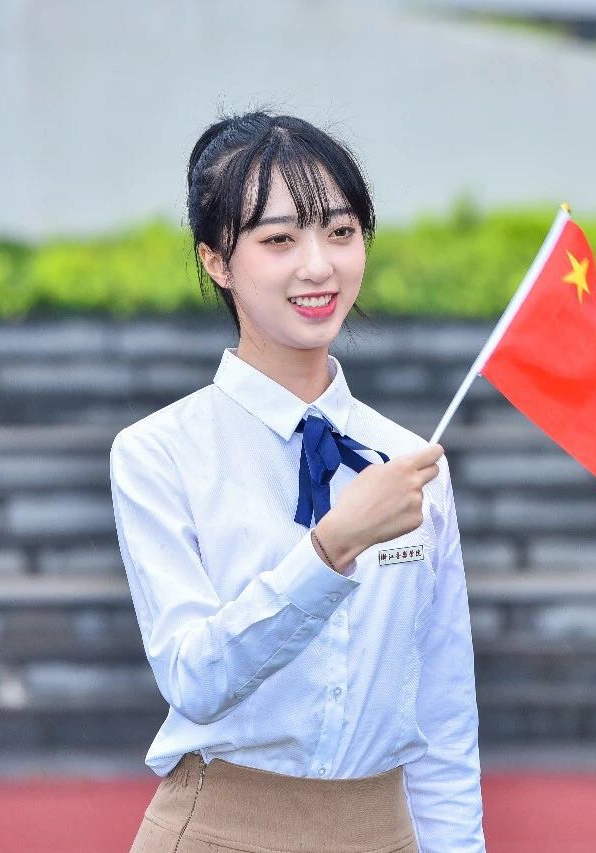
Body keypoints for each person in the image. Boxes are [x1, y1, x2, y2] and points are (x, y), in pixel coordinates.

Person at [111, 110, 485, 852]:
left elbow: (444, 717)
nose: (319, 266)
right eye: (279, 239)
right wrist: (330, 548)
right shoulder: (159, 453)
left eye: (341, 232)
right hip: (219, 831)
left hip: (384, 833)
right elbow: (194, 679)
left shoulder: (410, 464)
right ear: (217, 260)